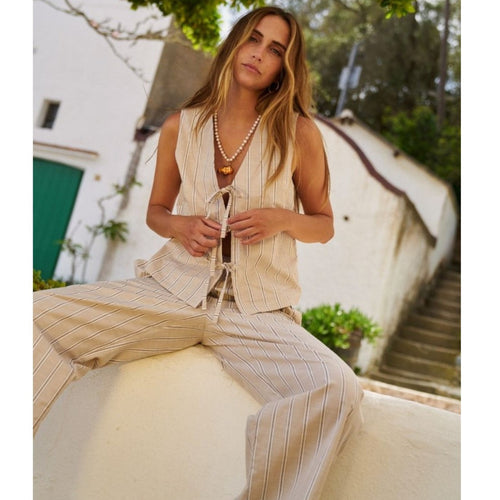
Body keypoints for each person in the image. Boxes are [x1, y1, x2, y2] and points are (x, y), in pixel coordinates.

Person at [33, 6, 364, 499]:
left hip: (256, 312)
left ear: (285, 67)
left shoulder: (298, 134)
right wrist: (181, 226)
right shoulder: (180, 126)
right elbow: (157, 212)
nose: (259, 54)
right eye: (253, 39)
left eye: (276, 50)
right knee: (35, 316)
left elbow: (324, 225)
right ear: (234, 43)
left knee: (337, 387)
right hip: (171, 294)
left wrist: (281, 219)